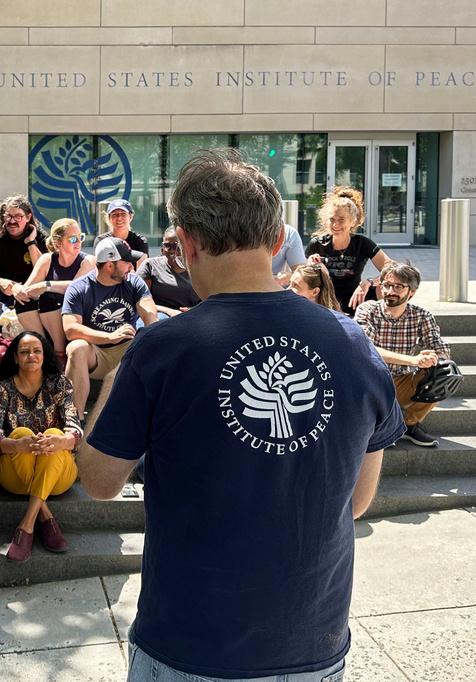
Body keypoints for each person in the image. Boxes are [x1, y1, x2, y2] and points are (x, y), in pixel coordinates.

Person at [78, 148, 405, 682]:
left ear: (185, 245)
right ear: (278, 241)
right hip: (312, 643)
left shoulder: (161, 351)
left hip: (188, 645)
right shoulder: (354, 345)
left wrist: (114, 380)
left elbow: (97, 479)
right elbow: (359, 501)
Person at [0, 331, 82, 562]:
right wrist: (18, 444)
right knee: (21, 433)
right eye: (25, 351)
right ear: (15, 358)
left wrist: (62, 441)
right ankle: (44, 513)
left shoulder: (60, 384)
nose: (32, 355)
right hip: (13, 476)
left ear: (44, 354)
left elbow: (75, 429)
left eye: (37, 350)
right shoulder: (0, 389)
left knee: (54, 435)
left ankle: (27, 524)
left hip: (58, 476)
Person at [355, 261, 451, 447]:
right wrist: (413, 360)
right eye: (387, 285)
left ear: (412, 292)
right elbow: (366, 348)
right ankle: (381, 426)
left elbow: (441, 350)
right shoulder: (367, 310)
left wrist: (432, 357)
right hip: (370, 383)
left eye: (398, 286)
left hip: (401, 381)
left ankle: (408, 424)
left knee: (445, 372)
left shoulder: (421, 315)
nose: (390, 291)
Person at [62, 236, 156, 419]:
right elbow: (71, 329)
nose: (132, 266)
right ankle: (75, 421)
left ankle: (147, 420)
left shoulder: (134, 283)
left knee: (151, 344)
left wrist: (149, 330)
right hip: (96, 352)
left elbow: (150, 314)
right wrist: (110, 337)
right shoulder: (79, 288)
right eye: (127, 262)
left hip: (126, 352)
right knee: (76, 348)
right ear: (110, 265)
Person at [305, 186, 391, 314]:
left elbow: (392, 270)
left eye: (341, 220)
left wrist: (369, 282)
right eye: (332, 220)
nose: (335, 225)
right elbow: (301, 279)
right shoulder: (317, 244)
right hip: (324, 302)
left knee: (395, 287)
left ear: (353, 221)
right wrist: (310, 267)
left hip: (355, 300)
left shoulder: (362, 243)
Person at [19, 218, 95, 361]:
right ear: (59, 243)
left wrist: (47, 285)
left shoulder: (88, 261)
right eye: (73, 239)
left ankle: (59, 354)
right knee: (22, 301)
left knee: (50, 296)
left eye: (81, 237)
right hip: (49, 323)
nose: (79, 242)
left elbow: (75, 288)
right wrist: (19, 290)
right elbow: (27, 290)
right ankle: (43, 346)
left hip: (77, 319)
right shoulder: (47, 260)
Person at [0, 195, 48, 334]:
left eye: (18, 216)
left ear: (28, 217)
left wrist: (31, 243)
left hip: (30, 292)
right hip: (1, 291)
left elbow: (44, 270)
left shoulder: (40, 237)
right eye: (8, 216)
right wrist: (0, 283)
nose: (12, 221)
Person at [136, 226, 201, 319]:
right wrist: (169, 311)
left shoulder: (198, 268)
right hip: (157, 315)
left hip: (190, 316)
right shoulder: (150, 265)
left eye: (177, 246)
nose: (172, 250)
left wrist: (193, 310)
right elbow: (140, 300)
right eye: (167, 246)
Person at [92, 199, 149, 268]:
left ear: (130, 217)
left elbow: (142, 271)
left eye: (123, 214)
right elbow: (100, 268)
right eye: (115, 215)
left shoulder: (140, 241)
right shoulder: (101, 241)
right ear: (109, 218)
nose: (119, 218)